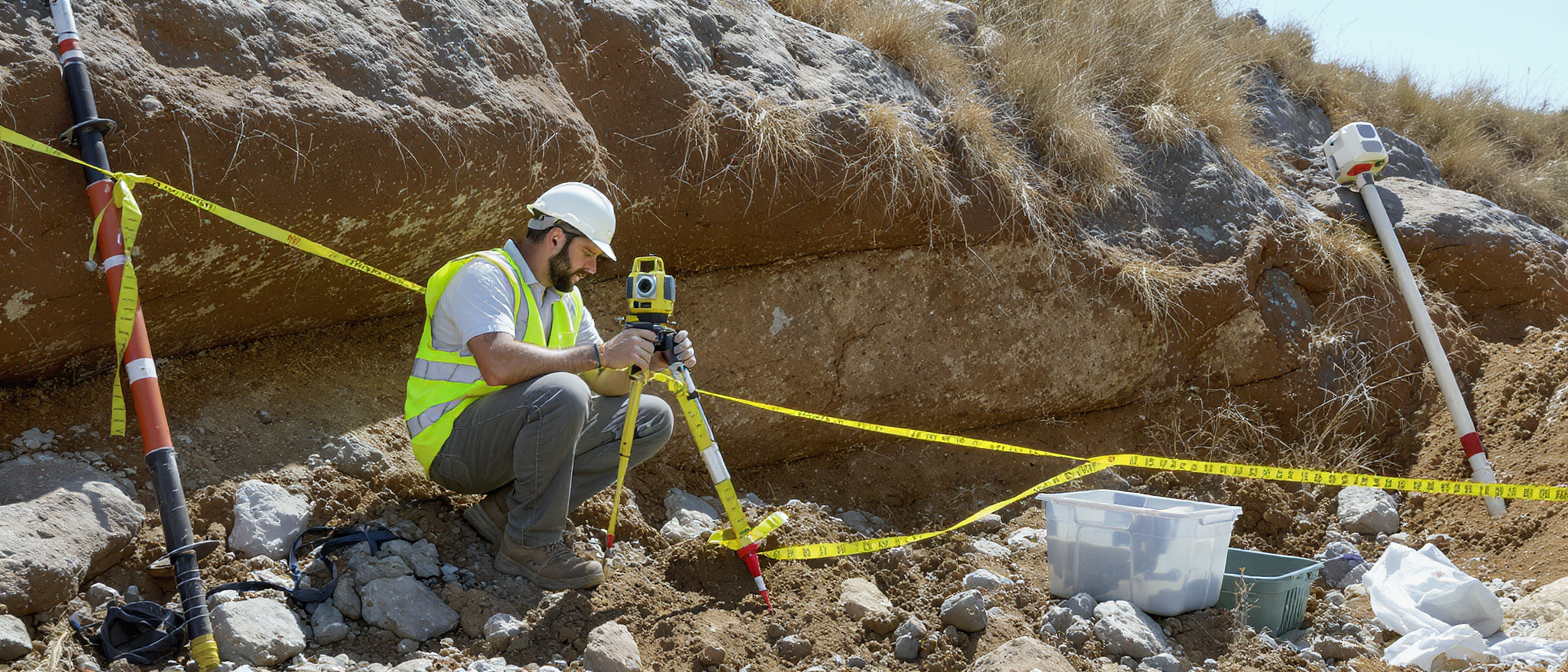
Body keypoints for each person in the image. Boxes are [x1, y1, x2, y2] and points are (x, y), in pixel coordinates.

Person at [403, 182, 696, 589]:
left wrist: (647, 364)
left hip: (505, 436)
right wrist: (597, 354)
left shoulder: (566, 300)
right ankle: (529, 546)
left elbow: (606, 384)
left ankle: (503, 515)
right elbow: (498, 365)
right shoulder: (485, 276)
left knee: (650, 417)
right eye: (588, 254)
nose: (592, 268)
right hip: (453, 445)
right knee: (565, 391)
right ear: (556, 237)